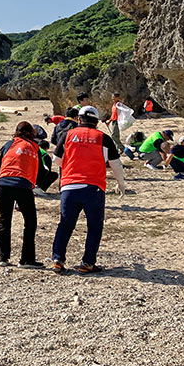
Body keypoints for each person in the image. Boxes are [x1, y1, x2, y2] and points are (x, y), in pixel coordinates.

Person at [51, 106, 126, 274]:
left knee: (65, 223)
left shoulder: (67, 135)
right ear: (96, 122)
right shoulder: (103, 138)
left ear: (79, 119)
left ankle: (58, 259)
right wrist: (121, 184)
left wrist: (70, 166)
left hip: (69, 186)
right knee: (94, 226)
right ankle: (88, 263)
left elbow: (56, 159)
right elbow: (116, 164)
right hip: (94, 187)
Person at [0, 121, 43, 268]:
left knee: (5, 219)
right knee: (30, 222)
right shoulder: (34, 147)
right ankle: (27, 259)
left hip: (3, 183)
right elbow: (40, 171)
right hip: (22, 184)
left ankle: (3, 258)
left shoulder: (9, 144)